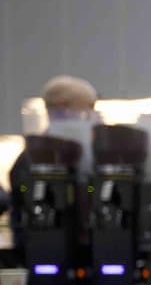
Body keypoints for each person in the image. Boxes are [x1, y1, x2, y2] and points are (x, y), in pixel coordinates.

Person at [9, 76, 99, 258]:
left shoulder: (93, 153)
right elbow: (22, 200)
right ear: (63, 106)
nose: (92, 115)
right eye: (88, 107)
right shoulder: (32, 159)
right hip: (45, 248)